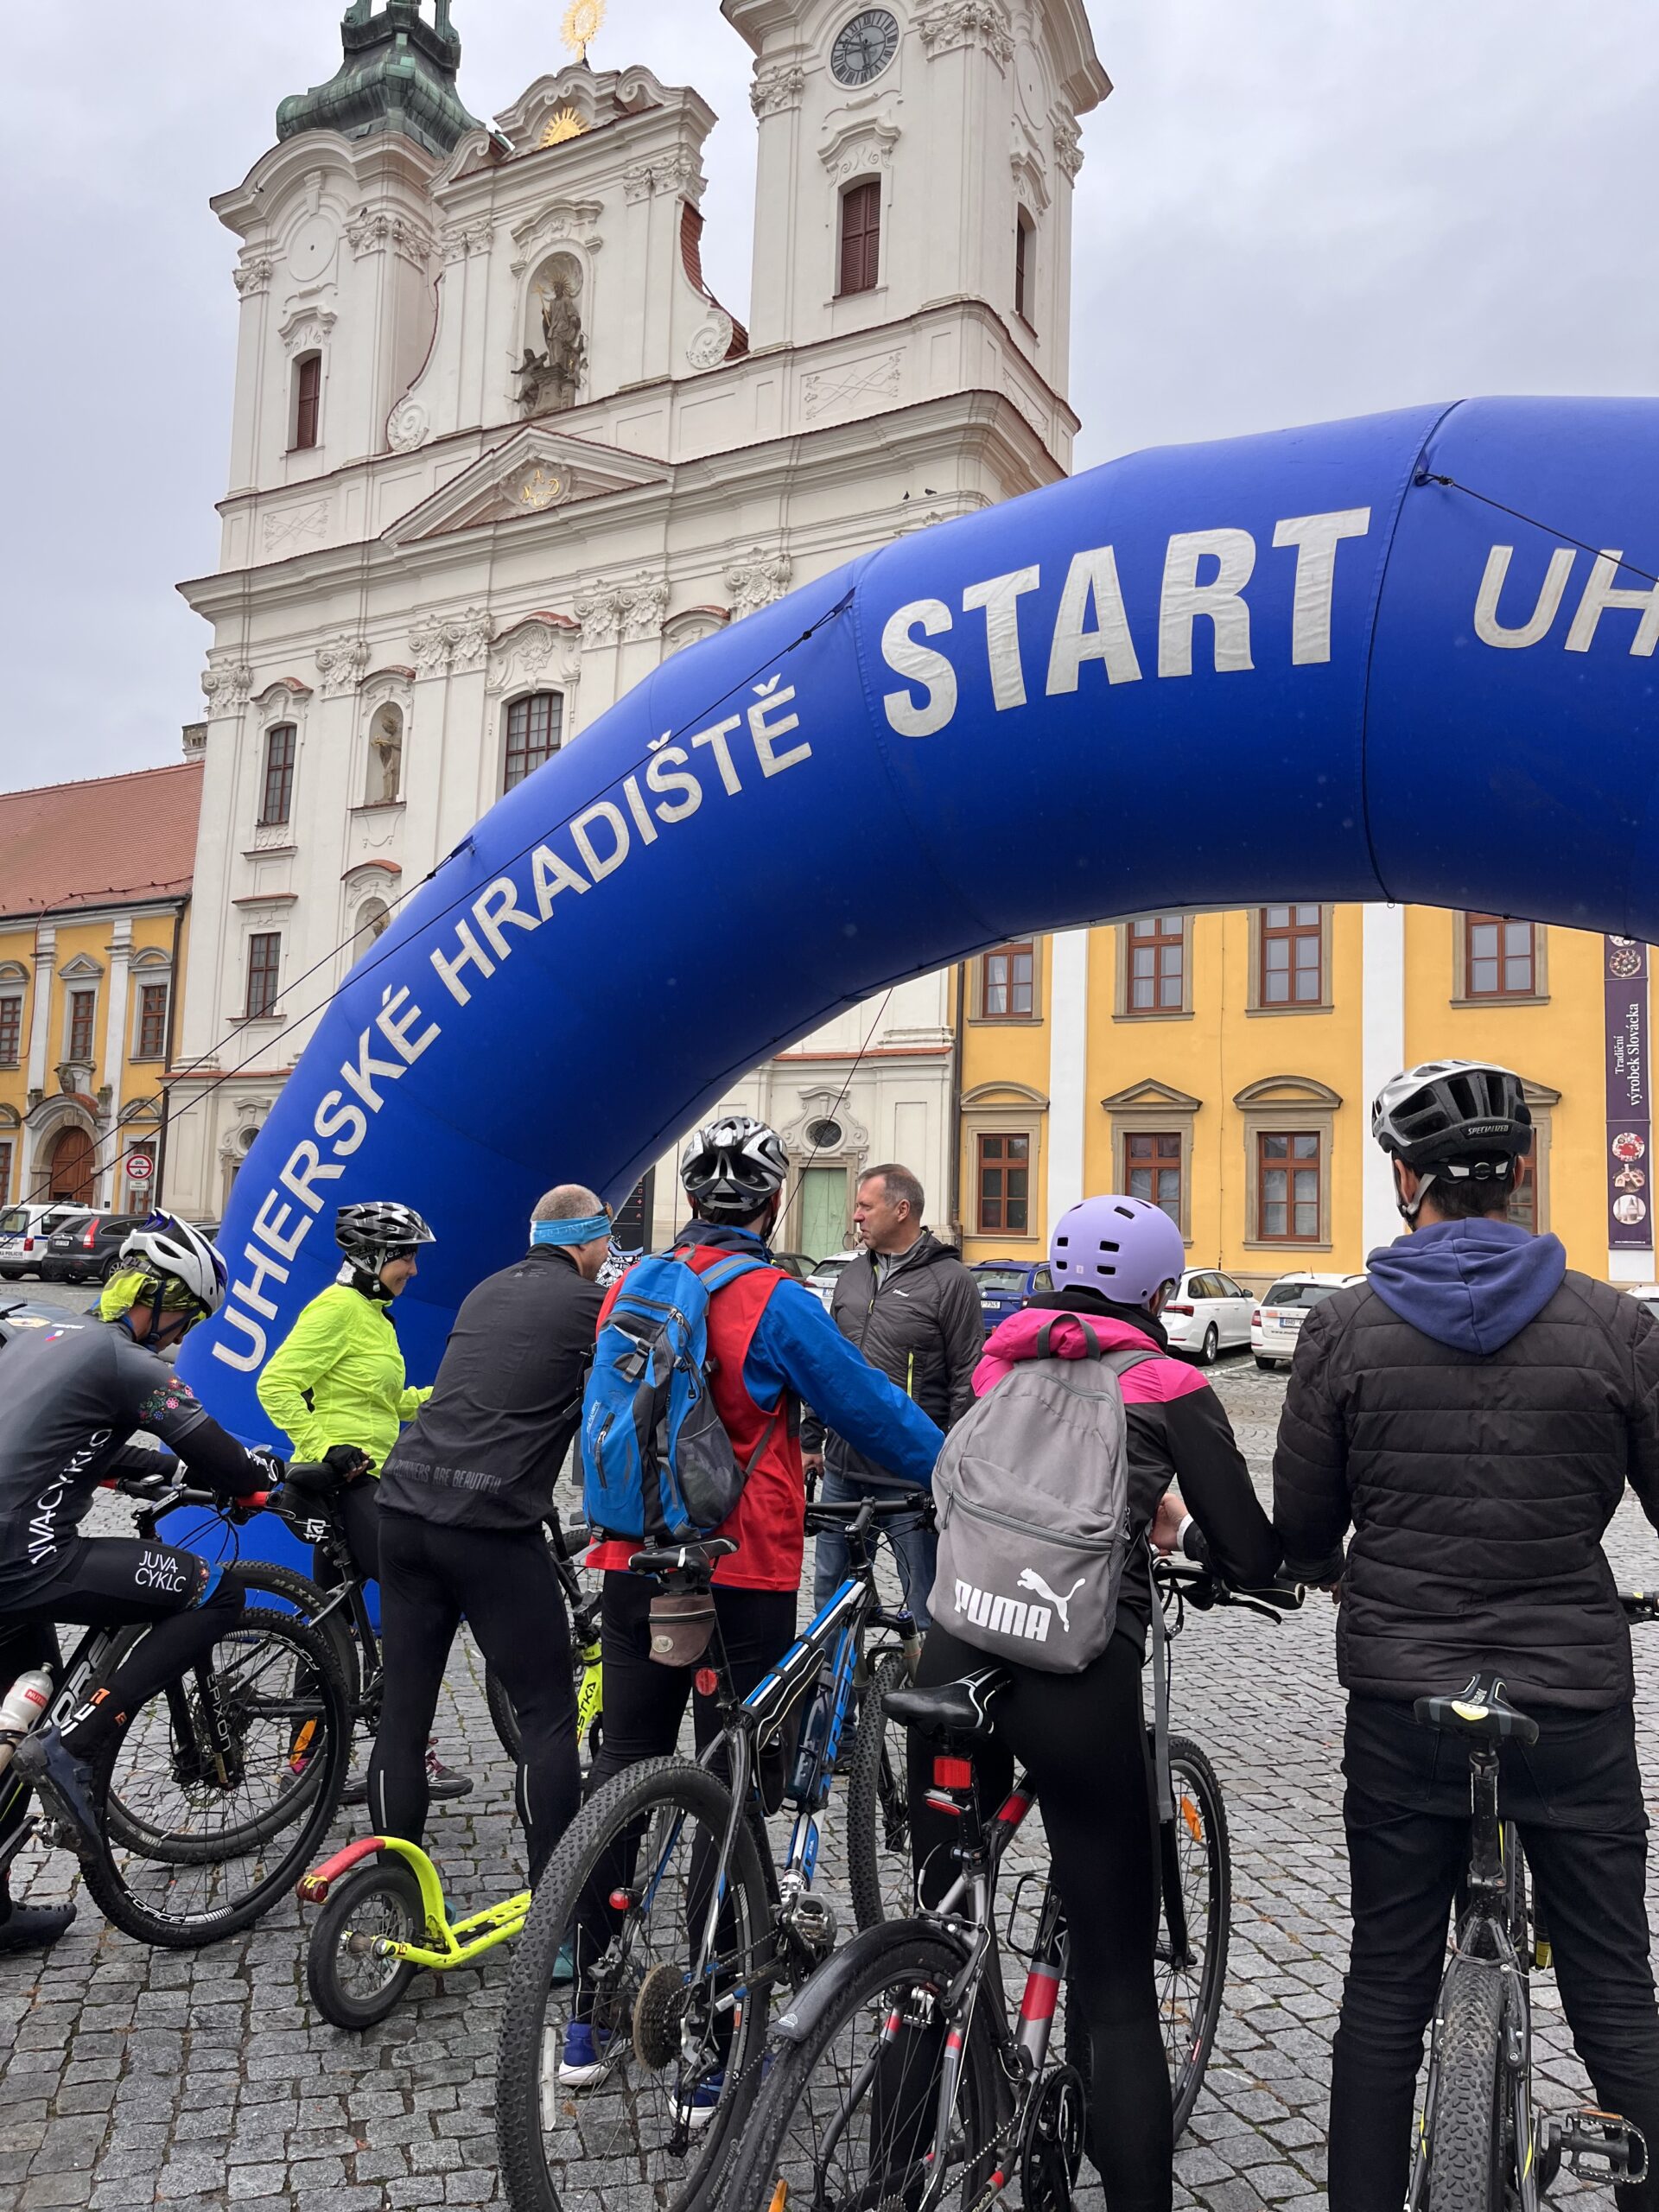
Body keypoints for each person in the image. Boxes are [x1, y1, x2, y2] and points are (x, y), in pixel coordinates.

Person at [1273, 1058, 1659, 2212]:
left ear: (1406, 1180)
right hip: (1570, 1700)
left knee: (1387, 1979)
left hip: (1402, 1698)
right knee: (1614, 1988)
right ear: (1523, 1176)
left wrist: (1334, 1570)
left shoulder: (1342, 1327)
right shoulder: (1614, 1324)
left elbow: (1301, 1532)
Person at [906, 1194, 1280, 2212]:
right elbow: (1248, 1547)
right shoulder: (1166, 1378)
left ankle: (905, 2146)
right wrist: (1211, 1551)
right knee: (1117, 1988)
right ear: (1159, 1292)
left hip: (949, 1653)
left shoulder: (1002, 1358)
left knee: (938, 1927)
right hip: (1074, 1673)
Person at [564, 1115, 944, 2086]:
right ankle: (708, 2032)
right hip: (741, 1567)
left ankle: (584, 2014)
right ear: (773, 1205)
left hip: (633, 1555)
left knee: (624, 1761)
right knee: (729, 1785)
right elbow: (866, 1404)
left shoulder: (629, 1287)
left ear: (691, 1203)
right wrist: (955, 1468)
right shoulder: (774, 1297)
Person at [0, 1216, 287, 1947]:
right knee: (215, 1591)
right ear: (155, 1300)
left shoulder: (44, 1337)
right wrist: (263, 1480)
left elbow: (54, 1437)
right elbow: (228, 1462)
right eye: (183, 1318)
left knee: (19, 1706)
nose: (178, 1338)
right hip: (28, 1558)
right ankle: (80, 1742)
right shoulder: (133, 1366)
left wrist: (147, 1466)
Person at [370, 1186, 610, 1884]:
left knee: (404, 1715)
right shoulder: (593, 1305)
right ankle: (557, 1917)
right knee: (544, 1716)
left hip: (404, 1507)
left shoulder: (485, 1290)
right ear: (589, 1241)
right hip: (489, 1526)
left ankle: (394, 1897)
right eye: (604, 1245)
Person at [257, 1200, 468, 1803]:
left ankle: (303, 1762)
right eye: (407, 1257)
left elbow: (383, 1400)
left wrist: (442, 1400)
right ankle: (409, 1752)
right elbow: (275, 1383)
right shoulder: (337, 1309)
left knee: (331, 1619)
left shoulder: (375, 1316)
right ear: (374, 1257)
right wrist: (325, 1447)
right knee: (425, 1597)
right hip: (351, 1485)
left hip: (371, 1477)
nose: (414, 1270)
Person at [805, 1164, 982, 1630]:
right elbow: (825, 1363)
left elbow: (968, 1375)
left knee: (924, 1595)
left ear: (902, 1210)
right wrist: (809, 1438)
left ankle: (919, 1694)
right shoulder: (851, 1276)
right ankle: (836, 1696)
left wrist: (950, 1454)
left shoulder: (951, 1281)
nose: (856, 1216)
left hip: (910, 1474)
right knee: (831, 1593)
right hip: (842, 1467)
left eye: (866, 1206)